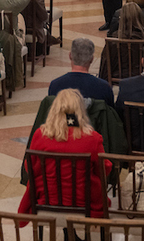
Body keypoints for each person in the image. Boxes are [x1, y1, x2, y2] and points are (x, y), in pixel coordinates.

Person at [18, 88, 112, 218]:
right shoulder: (92, 138)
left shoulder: (40, 135)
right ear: (80, 111)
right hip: (83, 201)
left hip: (47, 198)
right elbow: (104, 170)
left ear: (54, 109)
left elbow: (29, 168)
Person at [48, 37, 115, 105]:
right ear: (92, 59)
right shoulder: (104, 87)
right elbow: (110, 113)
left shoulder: (55, 85)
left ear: (70, 56)